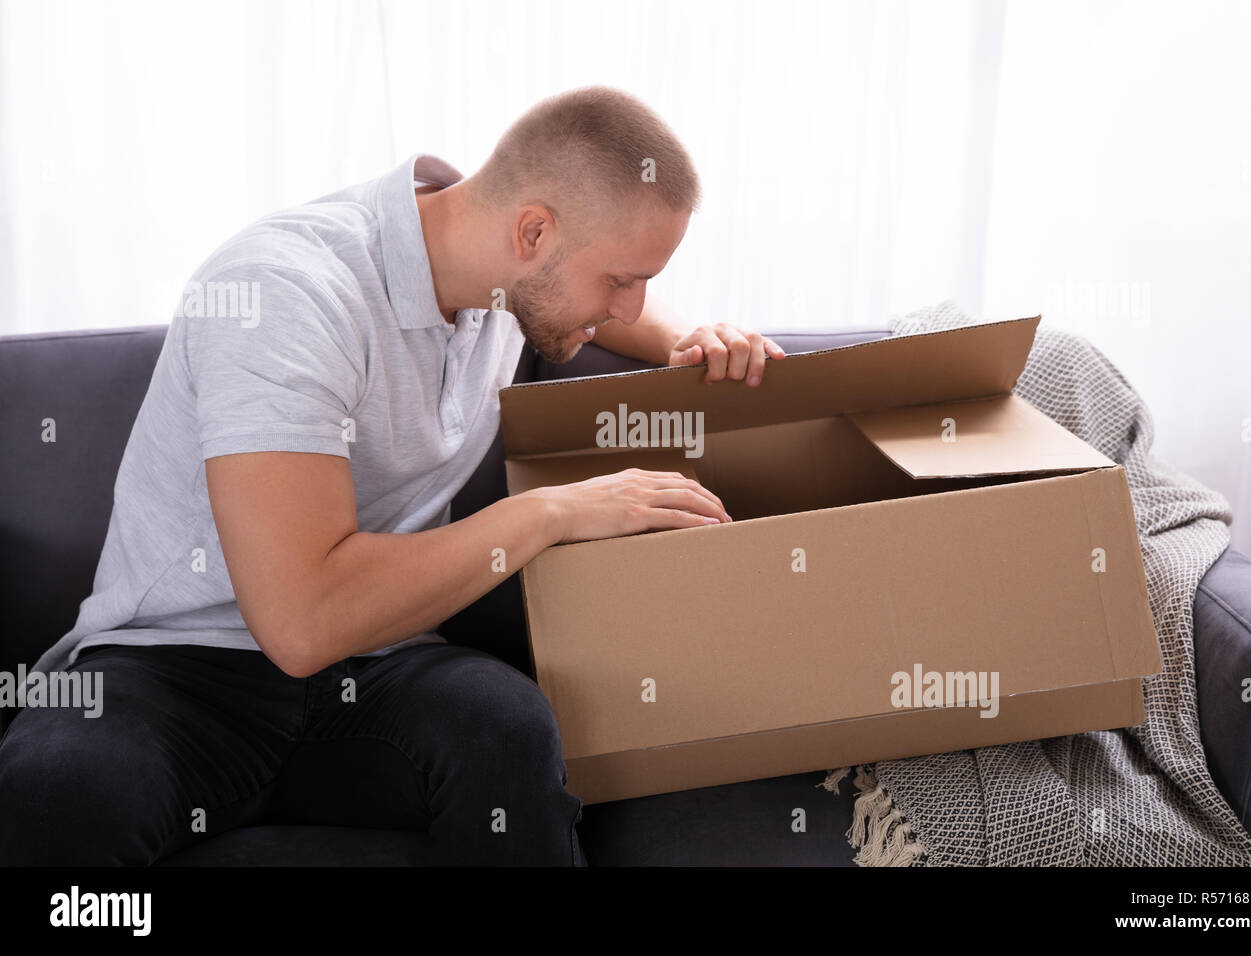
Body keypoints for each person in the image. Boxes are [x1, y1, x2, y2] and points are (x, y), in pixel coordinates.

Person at [0, 85, 786, 865]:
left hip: (377, 664)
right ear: (534, 231)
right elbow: (303, 624)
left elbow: (605, 304)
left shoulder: (506, 280)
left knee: (505, 732)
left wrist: (691, 336)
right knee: (58, 790)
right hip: (177, 668)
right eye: (622, 279)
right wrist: (551, 514)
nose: (629, 306)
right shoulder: (284, 293)